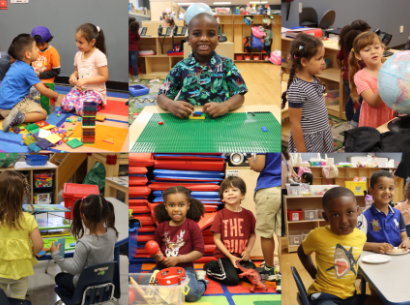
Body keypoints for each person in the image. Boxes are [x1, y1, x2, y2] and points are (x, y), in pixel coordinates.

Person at [298, 187, 383, 305]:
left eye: (349, 212)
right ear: (326, 217)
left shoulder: (360, 236)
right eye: (335, 215)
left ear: (358, 211)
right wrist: (314, 274)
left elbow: (358, 245)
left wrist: (376, 246)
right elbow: (301, 251)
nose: (343, 220)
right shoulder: (317, 235)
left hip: (350, 297)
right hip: (324, 296)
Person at [158, 13, 247, 118]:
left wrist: (226, 105)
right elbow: (161, 96)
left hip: (220, 122)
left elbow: (240, 95)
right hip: (187, 122)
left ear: (218, 39)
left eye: (210, 34)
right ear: (189, 40)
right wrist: (169, 104)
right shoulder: (181, 67)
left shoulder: (227, 64)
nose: (204, 38)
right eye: (197, 34)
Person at [51, 195, 118, 300]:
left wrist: (56, 255)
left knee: (59, 277)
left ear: (84, 217)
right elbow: (100, 243)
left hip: (85, 290)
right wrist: (88, 238)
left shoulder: (83, 244)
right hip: (105, 286)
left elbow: (74, 269)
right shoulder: (113, 233)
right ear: (107, 214)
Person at [150, 186, 207, 302]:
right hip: (162, 269)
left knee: (191, 295)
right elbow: (155, 249)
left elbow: (199, 251)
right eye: (171, 205)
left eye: (181, 205)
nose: (176, 209)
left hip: (185, 270)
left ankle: (202, 282)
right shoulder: (161, 227)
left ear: (188, 206)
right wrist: (157, 255)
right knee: (145, 287)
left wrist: (178, 259)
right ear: (166, 206)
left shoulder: (192, 226)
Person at [281, 33, 333, 152]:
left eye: (323, 58)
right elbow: (295, 124)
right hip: (309, 142)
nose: (323, 62)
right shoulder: (297, 88)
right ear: (304, 61)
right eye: (319, 59)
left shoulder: (314, 79)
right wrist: (302, 153)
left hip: (322, 135)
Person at [203, 176, 257, 286]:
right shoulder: (220, 215)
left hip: (241, 256)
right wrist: (230, 256)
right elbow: (216, 239)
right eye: (226, 191)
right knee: (232, 280)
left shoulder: (249, 215)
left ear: (242, 195)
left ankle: (235, 270)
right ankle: (210, 267)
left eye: (234, 190)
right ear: (222, 198)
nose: (230, 193)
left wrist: (248, 251)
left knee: (255, 277)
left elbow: (252, 235)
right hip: (225, 256)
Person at [0, 34, 59, 132]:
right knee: (43, 113)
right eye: (36, 49)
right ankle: (18, 118)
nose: (38, 51)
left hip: (2, 103)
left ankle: (6, 113)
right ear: (28, 54)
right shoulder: (28, 69)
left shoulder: (15, 65)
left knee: (35, 105)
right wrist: (55, 94)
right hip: (15, 103)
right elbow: (43, 90)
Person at [0, 171, 43, 299]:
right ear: (22, 195)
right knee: (18, 299)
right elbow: (39, 246)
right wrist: (30, 251)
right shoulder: (28, 219)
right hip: (20, 272)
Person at [248, 153, 281, 292]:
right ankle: (281, 276)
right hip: (285, 189)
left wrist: (250, 160)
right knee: (282, 236)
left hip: (268, 189)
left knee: (266, 234)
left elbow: (259, 166)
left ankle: (269, 269)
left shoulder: (264, 138)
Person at [349, 32, 395, 128]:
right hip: (372, 122)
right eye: (367, 50)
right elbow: (374, 103)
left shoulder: (392, 69)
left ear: (383, 48)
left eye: (376, 47)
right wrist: (385, 84)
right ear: (358, 56)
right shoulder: (360, 77)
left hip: (391, 117)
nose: (373, 51)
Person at [60, 23, 109, 116]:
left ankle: (97, 104)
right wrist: (73, 76)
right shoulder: (78, 55)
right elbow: (76, 71)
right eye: (76, 41)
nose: (77, 44)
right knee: (65, 106)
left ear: (92, 42)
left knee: (81, 110)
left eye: (81, 42)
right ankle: (81, 100)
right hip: (80, 89)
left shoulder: (99, 56)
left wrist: (85, 80)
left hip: (95, 91)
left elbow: (104, 77)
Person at [357, 170, 410, 253]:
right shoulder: (364, 217)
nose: (387, 191)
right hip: (375, 259)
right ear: (371, 191)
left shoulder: (397, 214)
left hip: (397, 257)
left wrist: (406, 241)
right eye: (382, 188)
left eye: (391, 188)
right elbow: (358, 243)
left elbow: (404, 236)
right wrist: (375, 246)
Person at [336, 20, 371, 127]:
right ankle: (355, 121)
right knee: (364, 101)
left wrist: (342, 68)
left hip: (347, 77)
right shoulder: (360, 47)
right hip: (359, 78)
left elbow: (338, 58)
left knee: (349, 100)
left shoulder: (345, 45)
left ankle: (350, 121)